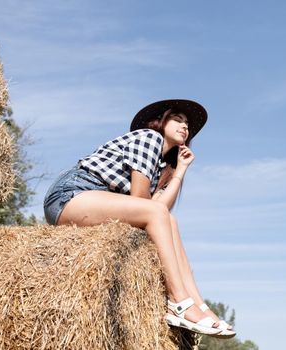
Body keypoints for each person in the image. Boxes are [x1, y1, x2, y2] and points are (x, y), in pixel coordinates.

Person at [43, 99, 235, 338]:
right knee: (158, 215)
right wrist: (156, 206)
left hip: (94, 201)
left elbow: (160, 212)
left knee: (169, 221)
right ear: (159, 122)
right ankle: (178, 302)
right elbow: (145, 203)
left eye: (187, 124)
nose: (184, 126)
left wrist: (181, 170)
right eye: (177, 119)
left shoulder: (162, 165)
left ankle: (198, 303)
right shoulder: (149, 138)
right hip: (70, 195)